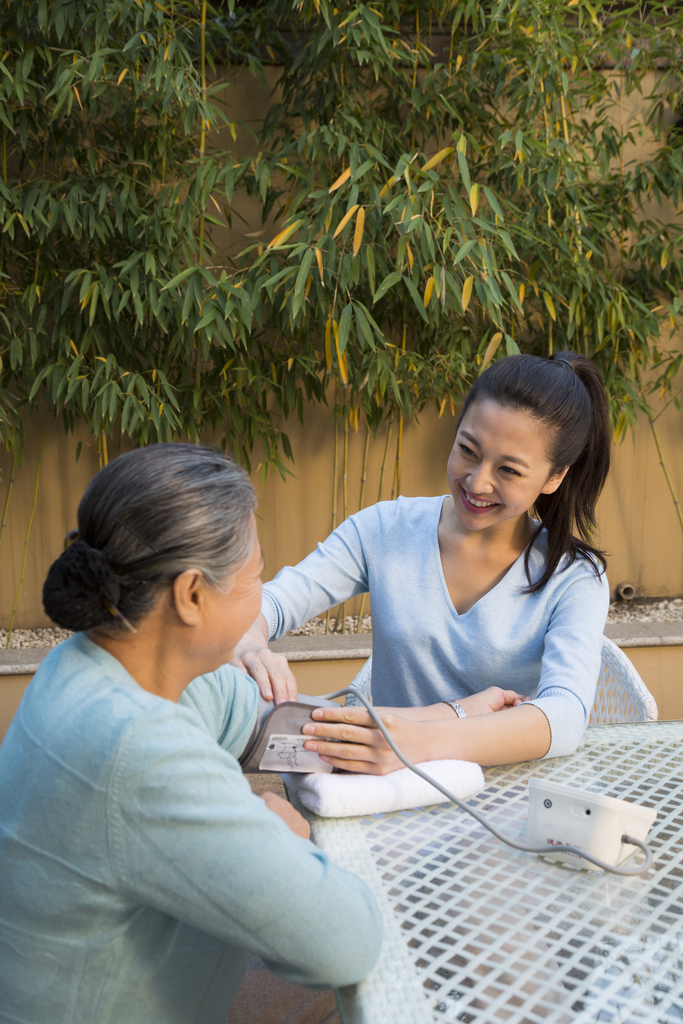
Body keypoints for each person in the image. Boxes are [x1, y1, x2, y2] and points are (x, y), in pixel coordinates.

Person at [0, 445, 382, 1024]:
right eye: (255, 575)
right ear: (192, 594)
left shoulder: (92, 663)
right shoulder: (137, 749)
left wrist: (448, 721)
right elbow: (347, 942)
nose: (262, 594)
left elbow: (268, 724)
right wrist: (281, 835)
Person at [234, 352, 611, 773]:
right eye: (468, 450)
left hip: (509, 794)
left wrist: (420, 741)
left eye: (508, 470)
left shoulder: (574, 577)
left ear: (555, 476)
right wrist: (248, 641)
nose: (477, 481)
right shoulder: (385, 529)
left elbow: (564, 715)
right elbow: (275, 602)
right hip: (390, 785)